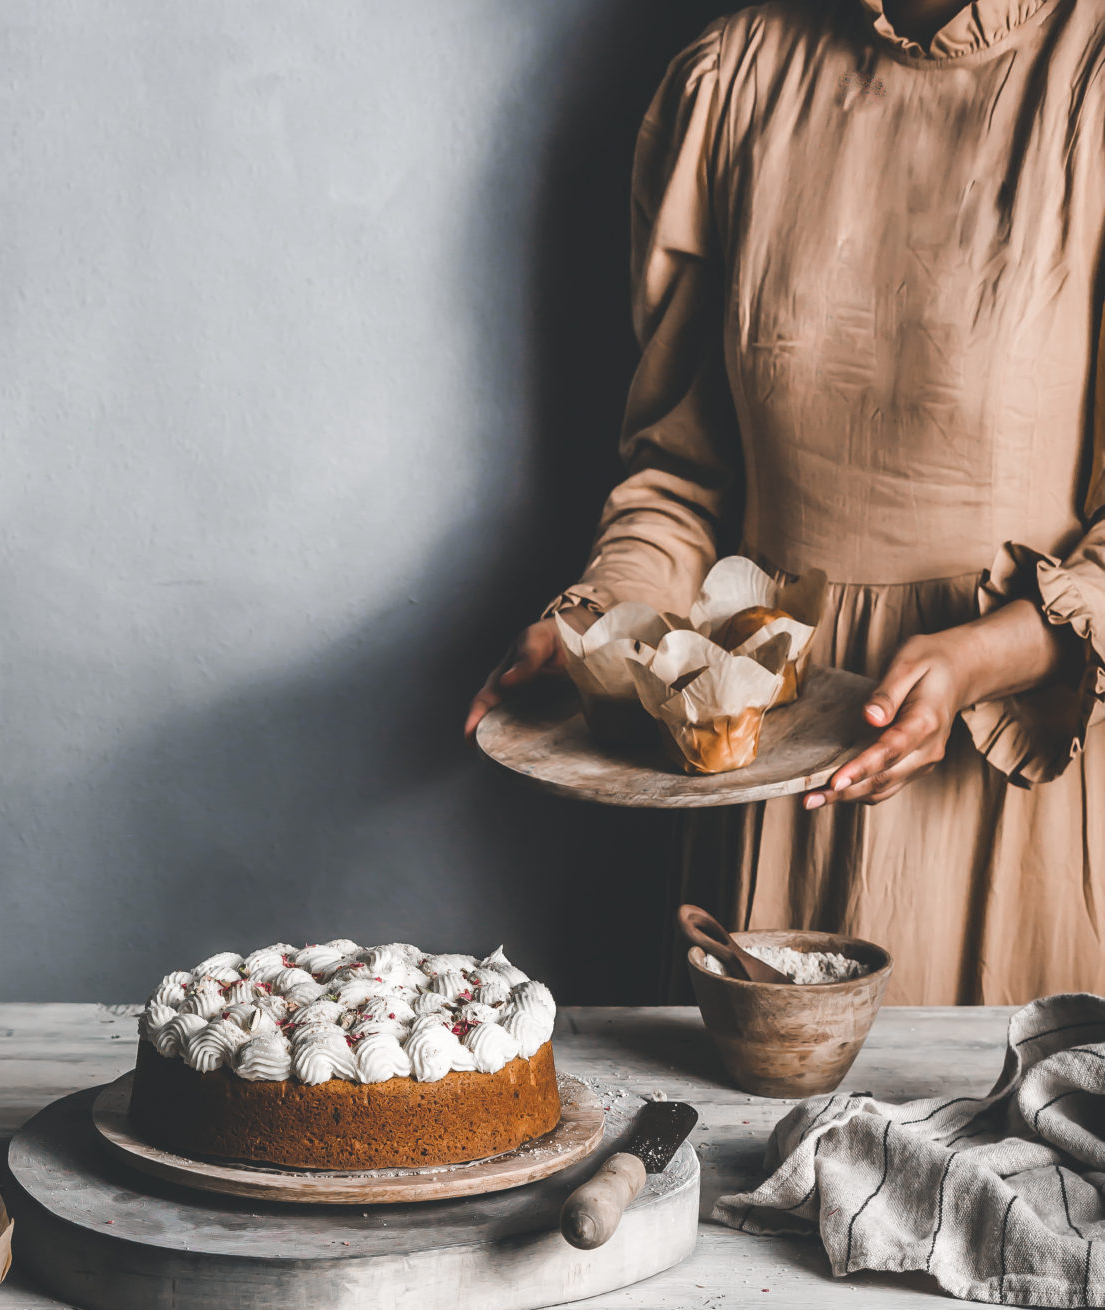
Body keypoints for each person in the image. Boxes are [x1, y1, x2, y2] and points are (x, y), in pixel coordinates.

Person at [467, 0, 1105, 1005]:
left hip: (1012, 776)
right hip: (765, 781)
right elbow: (682, 479)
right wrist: (601, 625)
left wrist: (985, 653)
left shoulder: (1092, 78)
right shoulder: (732, 83)